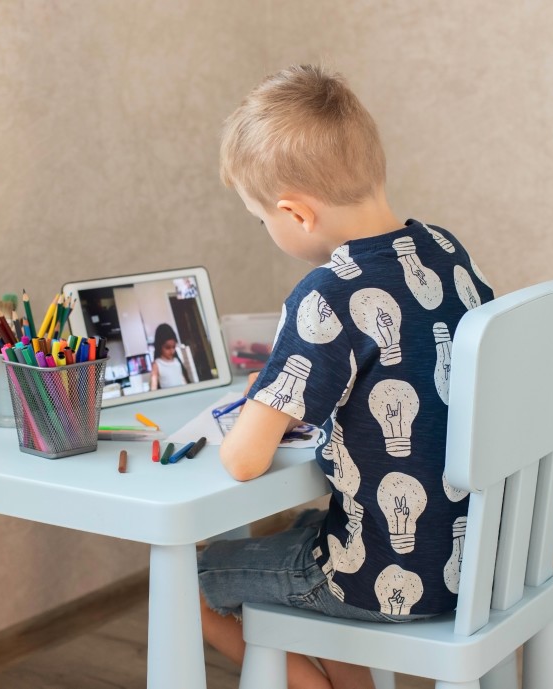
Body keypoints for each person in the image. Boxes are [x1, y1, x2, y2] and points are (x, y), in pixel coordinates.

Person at [197, 65, 495, 689]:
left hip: (377, 575)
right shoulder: (444, 250)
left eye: (261, 219)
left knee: (191, 581)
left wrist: (255, 412)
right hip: (478, 560)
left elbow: (244, 462)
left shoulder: (327, 295)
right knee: (303, 529)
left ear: (295, 214)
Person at [149, 322, 191, 390]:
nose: (172, 351)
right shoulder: (157, 364)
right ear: (159, 346)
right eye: (167, 347)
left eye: (173, 347)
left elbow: (184, 382)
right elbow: (153, 389)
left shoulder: (177, 362)